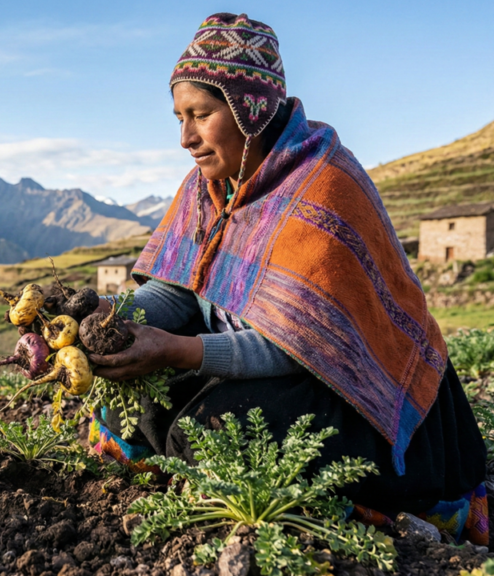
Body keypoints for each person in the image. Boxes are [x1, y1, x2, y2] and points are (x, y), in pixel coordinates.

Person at [87, 12, 488, 545]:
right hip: (255, 363)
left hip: (356, 391)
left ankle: (409, 510)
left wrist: (177, 351)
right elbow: (174, 289)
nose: (185, 137)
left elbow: (304, 346)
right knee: (138, 396)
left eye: (201, 115)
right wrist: (99, 320)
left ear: (248, 110)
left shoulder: (325, 188)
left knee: (211, 434)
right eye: (178, 117)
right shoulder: (207, 188)